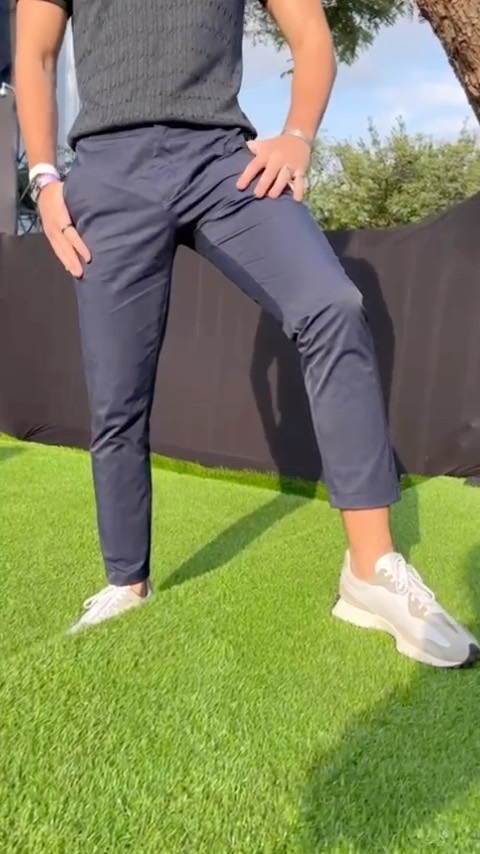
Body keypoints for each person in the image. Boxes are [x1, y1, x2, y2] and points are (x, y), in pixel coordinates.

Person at [15, 0, 479, 667]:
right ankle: (125, 581)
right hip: (109, 173)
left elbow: (311, 33)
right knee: (117, 394)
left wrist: (299, 136)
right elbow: (35, 53)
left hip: (220, 162)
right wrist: (43, 177)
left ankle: (371, 570)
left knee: (332, 304)